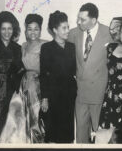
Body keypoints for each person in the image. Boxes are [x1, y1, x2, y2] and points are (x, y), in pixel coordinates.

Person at [68, 3, 113, 143]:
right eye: (78, 18)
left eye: (83, 19)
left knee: (100, 133)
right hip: (80, 92)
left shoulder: (110, 33)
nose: (78, 22)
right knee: (81, 133)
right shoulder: (73, 33)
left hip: (100, 92)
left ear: (93, 20)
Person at [0, 14, 46, 143]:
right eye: (29, 29)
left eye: (36, 29)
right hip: (23, 83)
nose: (32, 32)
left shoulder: (46, 44)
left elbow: (49, 67)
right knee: (19, 116)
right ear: (25, 31)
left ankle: (38, 142)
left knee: (35, 117)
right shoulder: (24, 45)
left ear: (40, 30)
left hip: (37, 85)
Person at [40, 10, 77, 143]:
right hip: (54, 95)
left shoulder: (72, 47)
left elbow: (75, 71)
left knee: (67, 132)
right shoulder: (46, 48)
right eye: (64, 28)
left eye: (68, 27)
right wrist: (44, 98)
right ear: (55, 30)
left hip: (70, 94)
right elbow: (43, 74)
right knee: (53, 132)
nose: (68, 30)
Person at [0, 11, 24, 143]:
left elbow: (20, 69)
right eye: (3, 28)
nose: (7, 32)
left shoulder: (17, 48)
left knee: (11, 125)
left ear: (14, 30)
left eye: (10, 28)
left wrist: (17, 87)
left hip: (11, 92)